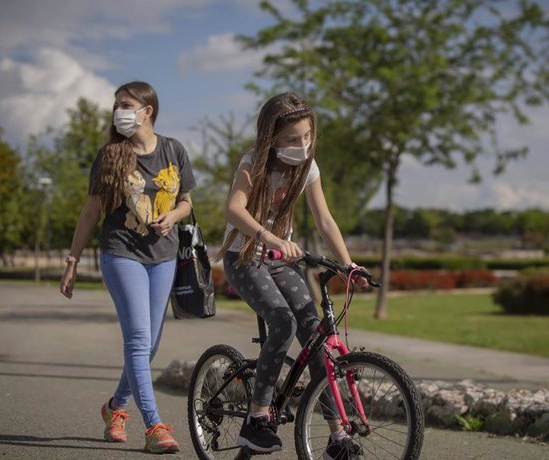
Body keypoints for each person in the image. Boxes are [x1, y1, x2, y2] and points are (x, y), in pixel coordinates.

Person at [217, 92, 366, 459]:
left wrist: (349, 265)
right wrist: (268, 236)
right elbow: (233, 209)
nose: (302, 145)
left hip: (280, 259)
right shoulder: (253, 162)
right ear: (271, 138)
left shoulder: (308, 167)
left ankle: (336, 439)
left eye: (307, 137)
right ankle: (256, 419)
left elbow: (325, 220)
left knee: (314, 333)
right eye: (291, 139)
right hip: (244, 256)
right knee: (282, 321)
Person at [60, 81, 195, 454]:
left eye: (126, 104)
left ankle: (115, 408)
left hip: (164, 256)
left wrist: (173, 216)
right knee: (137, 339)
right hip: (121, 252)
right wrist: (71, 261)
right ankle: (154, 427)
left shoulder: (173, 149)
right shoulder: (110, 155)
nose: (118, 110)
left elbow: (186, 202)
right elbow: (91, 212)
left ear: (146, 110)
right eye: (117, 104)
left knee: (149, 345)